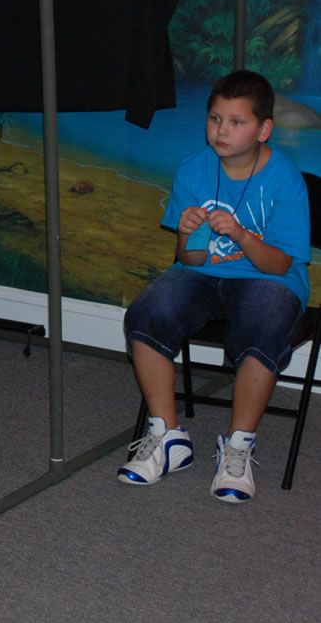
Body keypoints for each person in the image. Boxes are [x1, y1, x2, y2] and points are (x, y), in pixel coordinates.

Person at [118, 69, 309, 503]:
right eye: (215, 119)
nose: (221, 131)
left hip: (269, 277)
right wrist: (188, 233)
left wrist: (241, 235)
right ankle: (167, 437)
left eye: (236, 122)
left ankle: (238, 445)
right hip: (203, 274)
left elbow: (280, 263)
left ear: (263, 130)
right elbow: (191, 260)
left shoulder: (284, 179)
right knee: (147, 314)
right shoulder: (193, 169)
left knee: (264, 326)